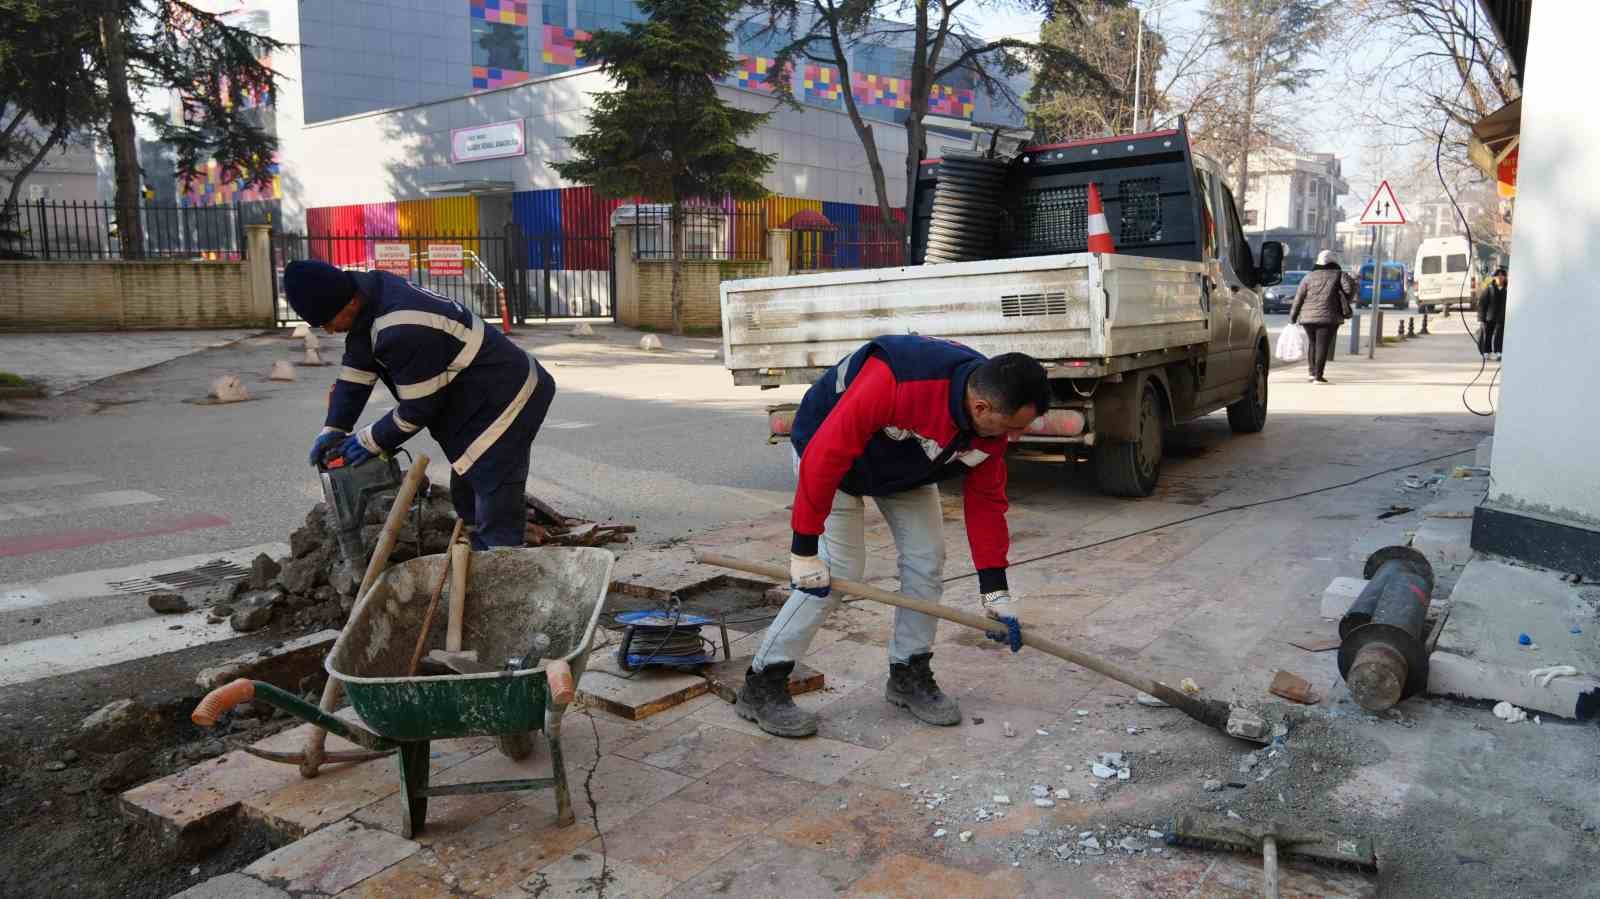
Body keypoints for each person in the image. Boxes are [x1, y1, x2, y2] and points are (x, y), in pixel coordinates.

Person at [736, 336, 1052, 738]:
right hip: (828, 457)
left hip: (905, 469)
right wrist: (804, 549)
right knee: (836, 571)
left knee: (927, 560)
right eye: (1013, 427)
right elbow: (826, 455)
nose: (1017, 437)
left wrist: (996, 594)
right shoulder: (898, 380)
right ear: (981, 407)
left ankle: (908, 672)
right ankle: (762, 684)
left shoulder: (990, 427)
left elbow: (987, 502)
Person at [284, 259, 555, 550]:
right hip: (475, 395)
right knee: (468, 479)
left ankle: (503, 558)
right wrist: (334, 427)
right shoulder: (371, 295)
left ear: (346, 304)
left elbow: (418, 410)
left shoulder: (402, 325)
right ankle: (477, 544)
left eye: (326, 321)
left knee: (492, 478)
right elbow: (355, 375)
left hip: (508, 394)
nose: (327, 330)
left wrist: (369, 442)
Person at [1289, 249, 1357, 384]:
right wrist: (1343, 298)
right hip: (1329, 316)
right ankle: (1318, 376)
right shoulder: (1339, 275)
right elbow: (1350, 289)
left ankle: (1312, 372)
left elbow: (1299, 298)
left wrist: (1293, 316)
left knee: (1313, 343)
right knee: (1322, 345)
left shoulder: (1309, 276)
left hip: (1308, 317)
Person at [1477, 266, 1508, 359]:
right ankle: (1487, 351)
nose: (1500, 277)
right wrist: (1481, 318)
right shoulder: (1489, 288)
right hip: (1489, 316)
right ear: (1494, 277)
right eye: (1498, 276)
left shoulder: (1507, 289)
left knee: (1500, 335)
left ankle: (1499, 352)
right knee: (1488, 334)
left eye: (1502, 275)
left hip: (1501, 316)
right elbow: (1482, 304)